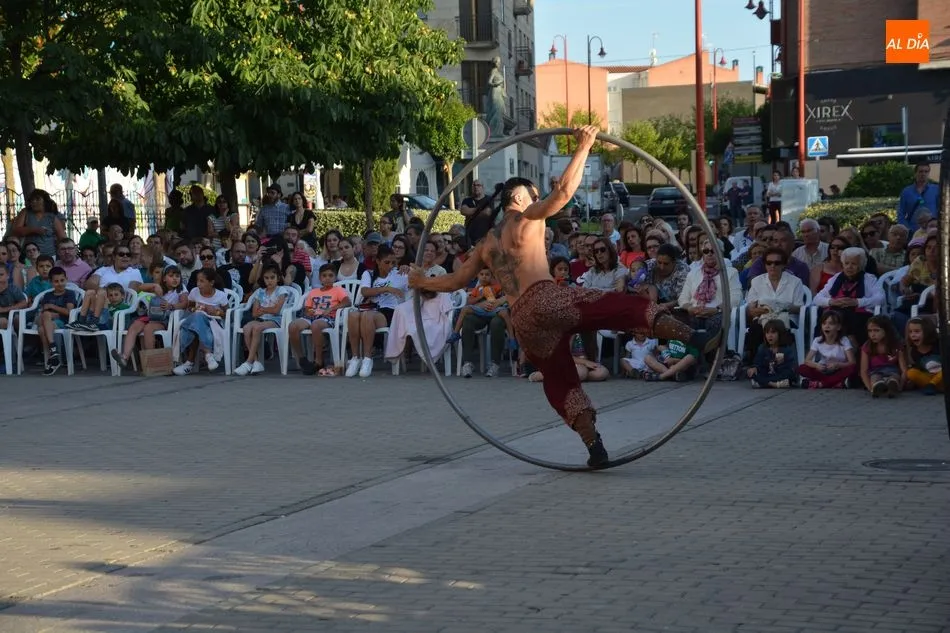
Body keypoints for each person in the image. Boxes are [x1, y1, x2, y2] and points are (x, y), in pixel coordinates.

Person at [409, 126, 718, 468]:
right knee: (620, 306)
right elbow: (564, 192)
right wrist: (584, 146)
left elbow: (455, 281)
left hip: (524, 323)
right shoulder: (526, 217)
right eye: (533, 193)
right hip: (544, 298)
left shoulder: (485, 245)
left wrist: (421, 280)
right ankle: (694, 336)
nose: (536, 197)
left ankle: (594, 446)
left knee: (560, 381)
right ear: (520, 198)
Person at [291, 264, 351, 375]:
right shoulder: (314, 292)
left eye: (330, 275)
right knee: (293, 326)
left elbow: (347, 302)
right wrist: (308, 311)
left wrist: (332, 308)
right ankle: (302, 358)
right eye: (324, 275)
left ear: (335, 277)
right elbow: (307, 308)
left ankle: (319, 360)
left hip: (328, 317)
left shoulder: (338, 290)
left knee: (316, 325)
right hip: (312, 316)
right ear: (319, 278)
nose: (327, 278)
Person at [233, 265, 291, 376]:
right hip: (261, 319)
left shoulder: (281, 291)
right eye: (266, 278)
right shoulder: (260, 292)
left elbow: (276, 311)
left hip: (276, 320)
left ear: (278, 278)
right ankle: (255, 361)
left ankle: (248, 362)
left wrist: (263, 309)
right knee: (246, 328)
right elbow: (255, 313)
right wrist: (267, 310)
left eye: (272, 277)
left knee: (257, 327)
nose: (269, 281)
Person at [37, 267, 78, 376]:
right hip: (50, 322)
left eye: (62, 280)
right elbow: (44, 312)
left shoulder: (69, 294)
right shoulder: (48, 295)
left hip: (64, 322)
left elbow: (69, 312)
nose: (60, 284)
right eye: (56, 281)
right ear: (51, 282)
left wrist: (52, 307)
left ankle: (52, 354)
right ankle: (54, 356)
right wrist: (51, 314)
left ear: (66, 279)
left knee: (42, 328)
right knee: (42, 326)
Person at [859, 316, 905, 398]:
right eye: (870, 331)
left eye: (876, 330)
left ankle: (892, 387)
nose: (872, 334)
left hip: (892, 371)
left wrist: (900, 386)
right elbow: (863, 370)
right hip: (875, 371)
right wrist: (870, 388)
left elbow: (904, 369)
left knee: (894, 378)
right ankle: (878, 387)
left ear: (886, 331)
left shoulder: (896, 345)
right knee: (875, 378)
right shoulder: (867, 346)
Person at [747, 319, 797, 389]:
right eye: (767, 333)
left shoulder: (786, 349)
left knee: (790, 374)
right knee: (753, 374)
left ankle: (765, 383)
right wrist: (754, 368)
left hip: (781, 374)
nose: (770, 336)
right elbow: (758, 363)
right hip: (768, 374)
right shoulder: (762, 348)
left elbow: (792, 366)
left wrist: (781, 364)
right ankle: (775, 384)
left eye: (773, 332)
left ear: (780, 333)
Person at [904, 317, 942, 395]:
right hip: (930, 377)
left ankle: (932, 385)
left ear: (927, 332)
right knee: (911, 372)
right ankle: (933, 386)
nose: (913, 335)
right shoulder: (914, 351)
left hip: (943, 376)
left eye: (917, 331)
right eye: (910, 332)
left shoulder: (939, 345)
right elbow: (921, 369)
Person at [897, 162, 939, 228]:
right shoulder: (906, 192)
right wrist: (905, 228)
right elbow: (901, 213)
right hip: (912, 230)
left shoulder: (936, 190)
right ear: (915, 173)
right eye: (920, 171)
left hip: (931, 229)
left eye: (926, 171)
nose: (923, 174)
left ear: (929, 173)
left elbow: (941, 210)